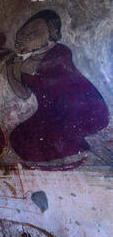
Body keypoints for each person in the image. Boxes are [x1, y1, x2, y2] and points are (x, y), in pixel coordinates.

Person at [7, 10, 109, 164]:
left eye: (32, 34)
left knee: (58, 136)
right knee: (19, 138)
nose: (24, 38)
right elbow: (24, 94)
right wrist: (11, 71)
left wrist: (26, 71)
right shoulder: (26, 63)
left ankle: (78, 151)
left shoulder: (60, 53)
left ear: (53, 34)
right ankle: (70, 153)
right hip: (48, 113)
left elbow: (50, 83)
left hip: (78, 109)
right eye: (22, 35)